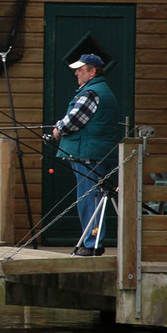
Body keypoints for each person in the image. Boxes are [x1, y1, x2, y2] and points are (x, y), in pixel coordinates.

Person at [49, 53, 122, 256]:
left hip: (88, 155)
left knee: (89, 198)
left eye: (81, 70)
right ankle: (93, 241)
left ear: (93, 72)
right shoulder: (98, 90)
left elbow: (73, 121)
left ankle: (93, 244)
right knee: (93, 197)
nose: (76, 73)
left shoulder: (91, 93)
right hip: (94, 152)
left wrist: (57, 130)